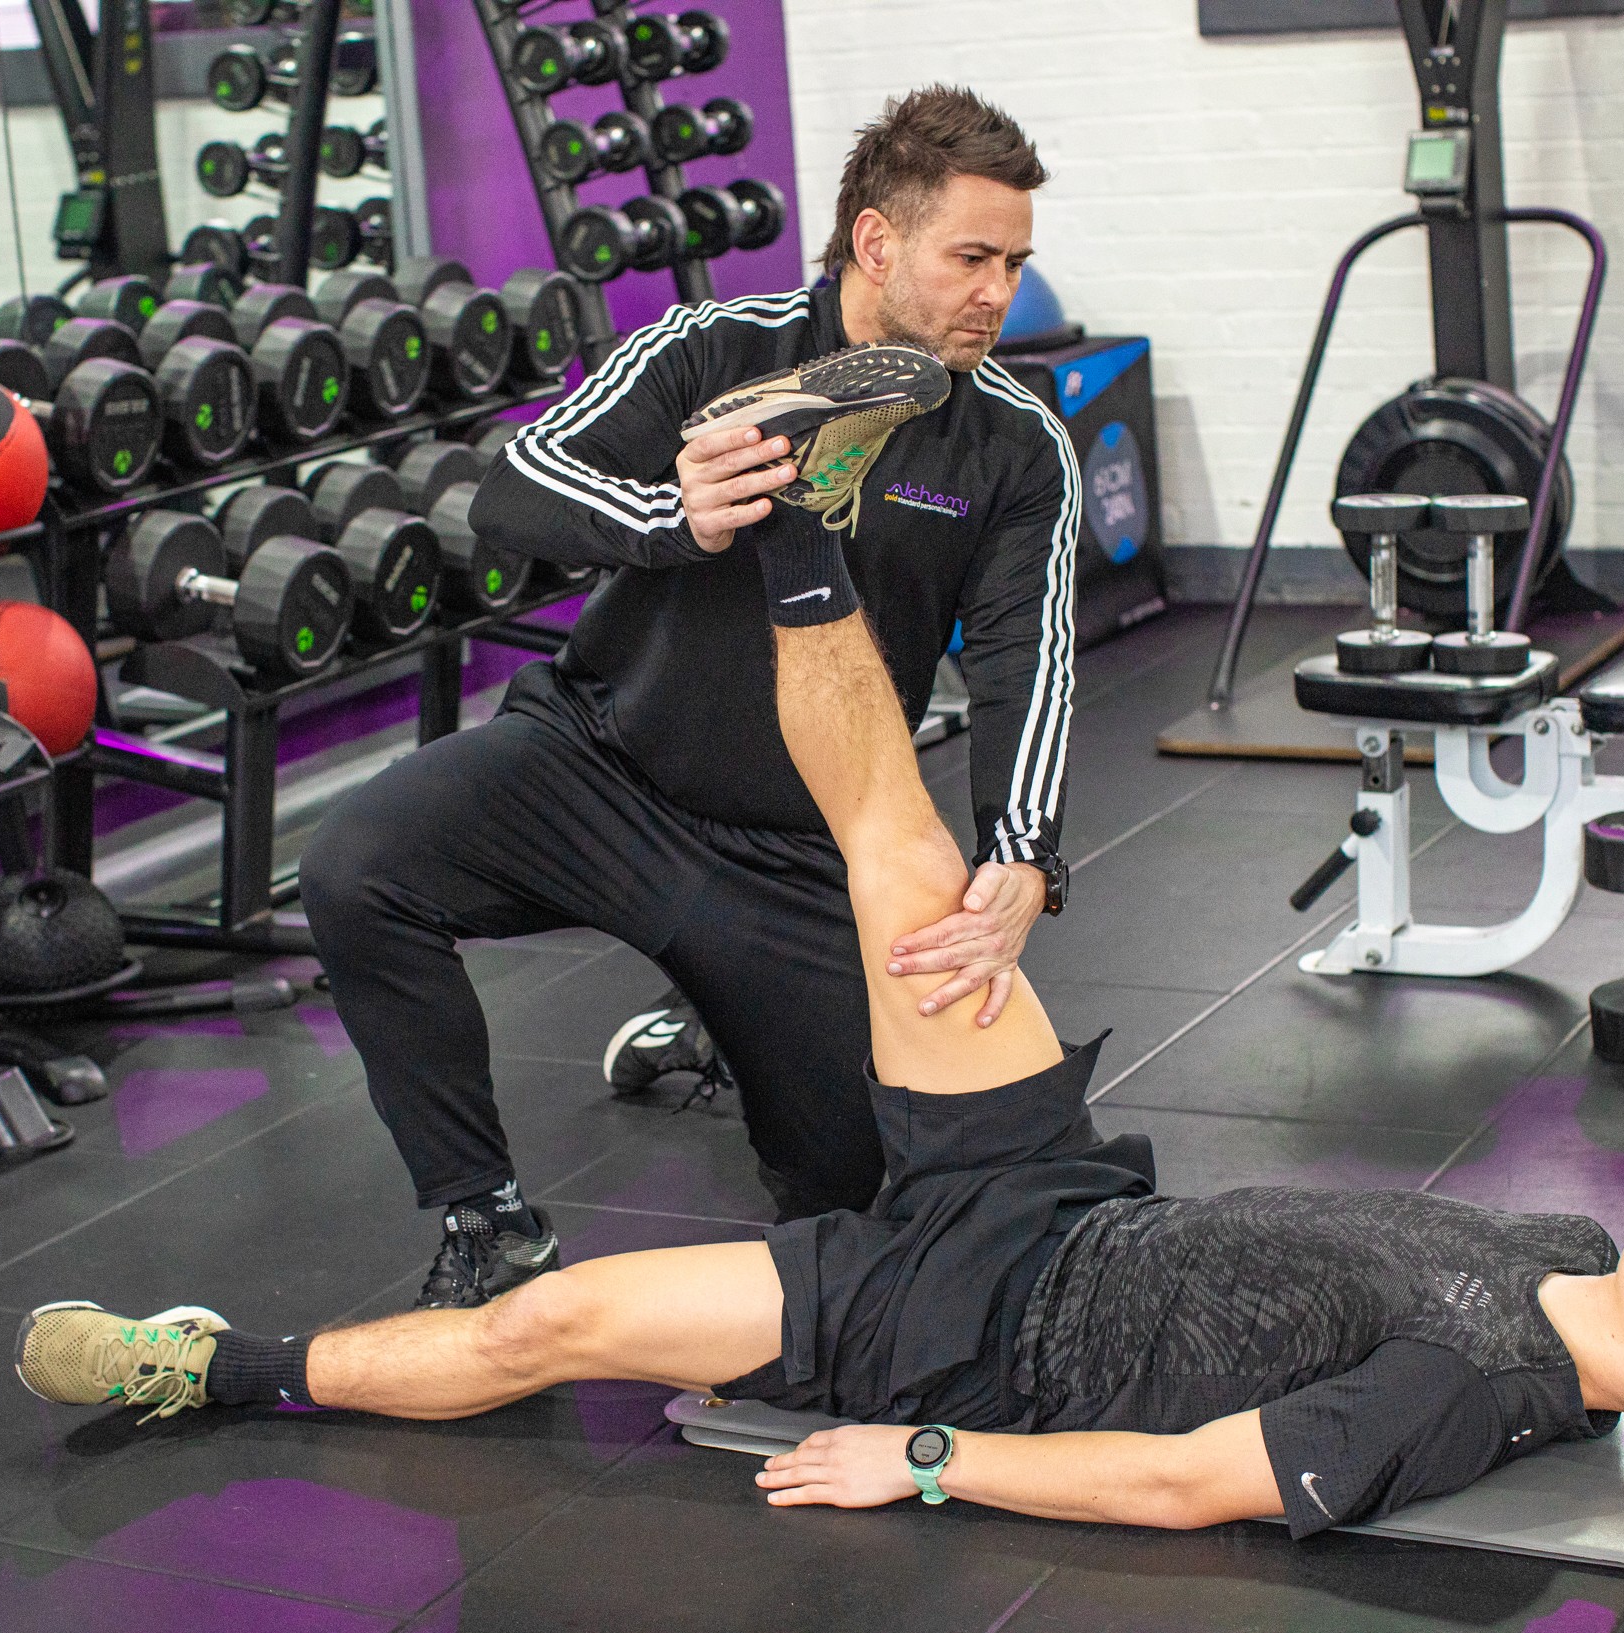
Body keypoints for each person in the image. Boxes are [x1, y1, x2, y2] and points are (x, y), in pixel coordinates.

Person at [18, 498, 1624, 1534]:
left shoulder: (1467, 1401)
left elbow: (1182, 1482)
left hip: (968, 1334)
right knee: (908, 866)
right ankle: (800, 524)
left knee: (552, 1322)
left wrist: (926, 1459)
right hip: (1058, 1191)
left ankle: (218, 1365)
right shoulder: (1570, 1251)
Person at [299, 84, 1081, 1308]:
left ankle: (720, 1006)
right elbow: (515, 487)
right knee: (356, 869)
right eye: (971, 258)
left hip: (791, 847)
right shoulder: (712, 348)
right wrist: (678, 514)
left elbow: (1025, 661)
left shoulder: (1017, 446)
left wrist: (1023, 856)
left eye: (1014, 263)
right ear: (877, 241)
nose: (999, 292)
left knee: (852, 1195)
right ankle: (485, 1215)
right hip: (600, 766)